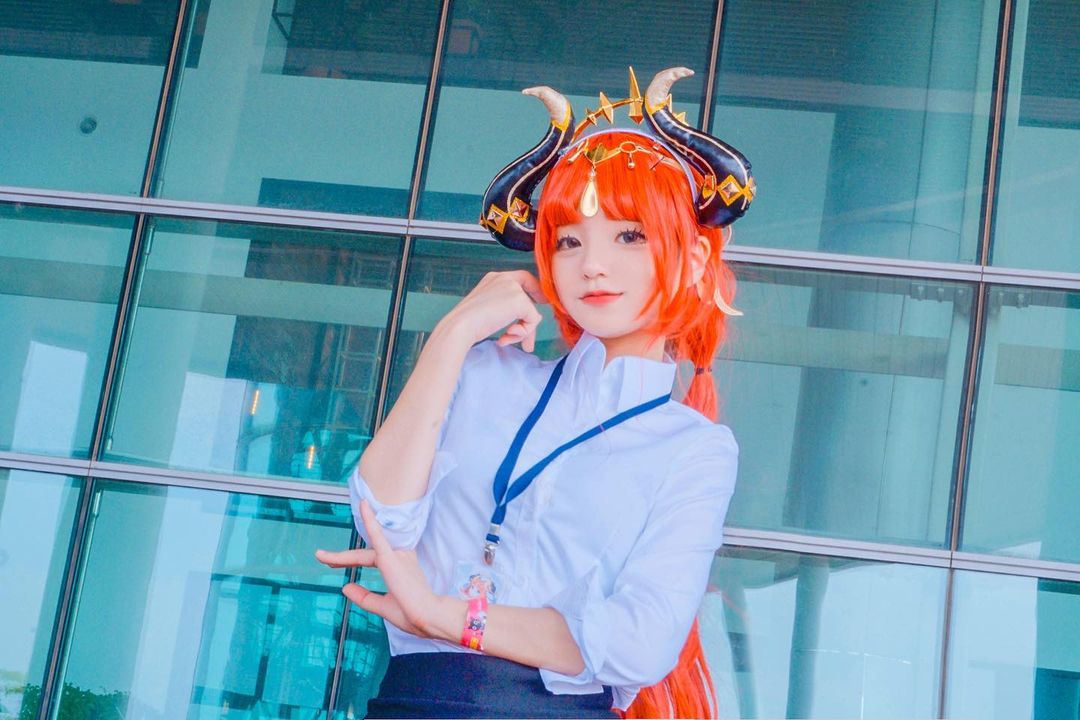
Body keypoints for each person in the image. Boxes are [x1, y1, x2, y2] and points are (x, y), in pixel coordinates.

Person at [315, 66, 755, 719]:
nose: (592, 265)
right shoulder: (485, 373)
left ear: (692, 261)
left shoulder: (695, 448)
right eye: (569, 241)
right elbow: (381, 515)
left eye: (629, 236)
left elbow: (639, 643)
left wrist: (443, 616)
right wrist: (454, 333)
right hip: (414, 702)